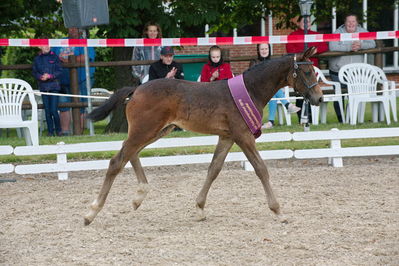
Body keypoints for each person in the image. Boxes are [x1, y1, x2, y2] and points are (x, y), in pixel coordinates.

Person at [329, 14, 376, 122]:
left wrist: (361, 45)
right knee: (339, 96)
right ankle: (341, 119)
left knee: (353, 95)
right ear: (344, 23)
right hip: (337, 70)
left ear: (357, 22)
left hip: (355, 73)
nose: (351, 24)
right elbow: (332, 46)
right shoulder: (337, 32)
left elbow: (372, 43)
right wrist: (350, 47)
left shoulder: (362, 31)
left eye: (353, 21)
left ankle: (352, 118)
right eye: (348, 21)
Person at [52, 27, 96, 135]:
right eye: (70, 28)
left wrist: (68, 60)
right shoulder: (59, 42)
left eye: (75, 28)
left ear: (80, 31)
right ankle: (65, 132)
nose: (72, 30)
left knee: (80, 107)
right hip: (62, 81)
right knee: (63, 106)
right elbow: (51, 55)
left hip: (81, 80)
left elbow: (86, 57)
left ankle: (79, 132)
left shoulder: (84, 42)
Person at [286, 16, 329, 122]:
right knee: (300, 93)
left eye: (308, 21)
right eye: (304, 21)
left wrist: (315, 50)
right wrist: (307, 52)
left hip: (312, 71)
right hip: (299, 71)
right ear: (298, 23)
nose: (306, 23)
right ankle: (302, 118)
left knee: (313, 92)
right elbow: (290, 49)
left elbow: (324, 46)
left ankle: (313, 118)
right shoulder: (293, 35)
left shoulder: (316, 35)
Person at [249, 43, 301, 129]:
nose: (264, 51)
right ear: (258, 50)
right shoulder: (254, 62)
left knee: (273, 91)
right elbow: (253, 78)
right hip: (257, 90)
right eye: (262, 49)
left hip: (270, 90)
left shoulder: (272, 62)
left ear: (269, 50)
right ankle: (287, 105)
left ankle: (270, 122)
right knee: (273, 89)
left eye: (266, 49)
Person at [32, 45, 63, 136]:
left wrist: (50, 76)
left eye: (48, 45)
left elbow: (60, 70)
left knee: (54, 110)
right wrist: (40, 77)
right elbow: (34, 72)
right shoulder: (37, 59)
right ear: (39, 47)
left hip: (54, 87)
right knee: (47, 111)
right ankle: (50, 132)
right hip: (43, 87)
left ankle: (59, 130)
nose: (47, 47)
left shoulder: (55, 57)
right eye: (44, 45)